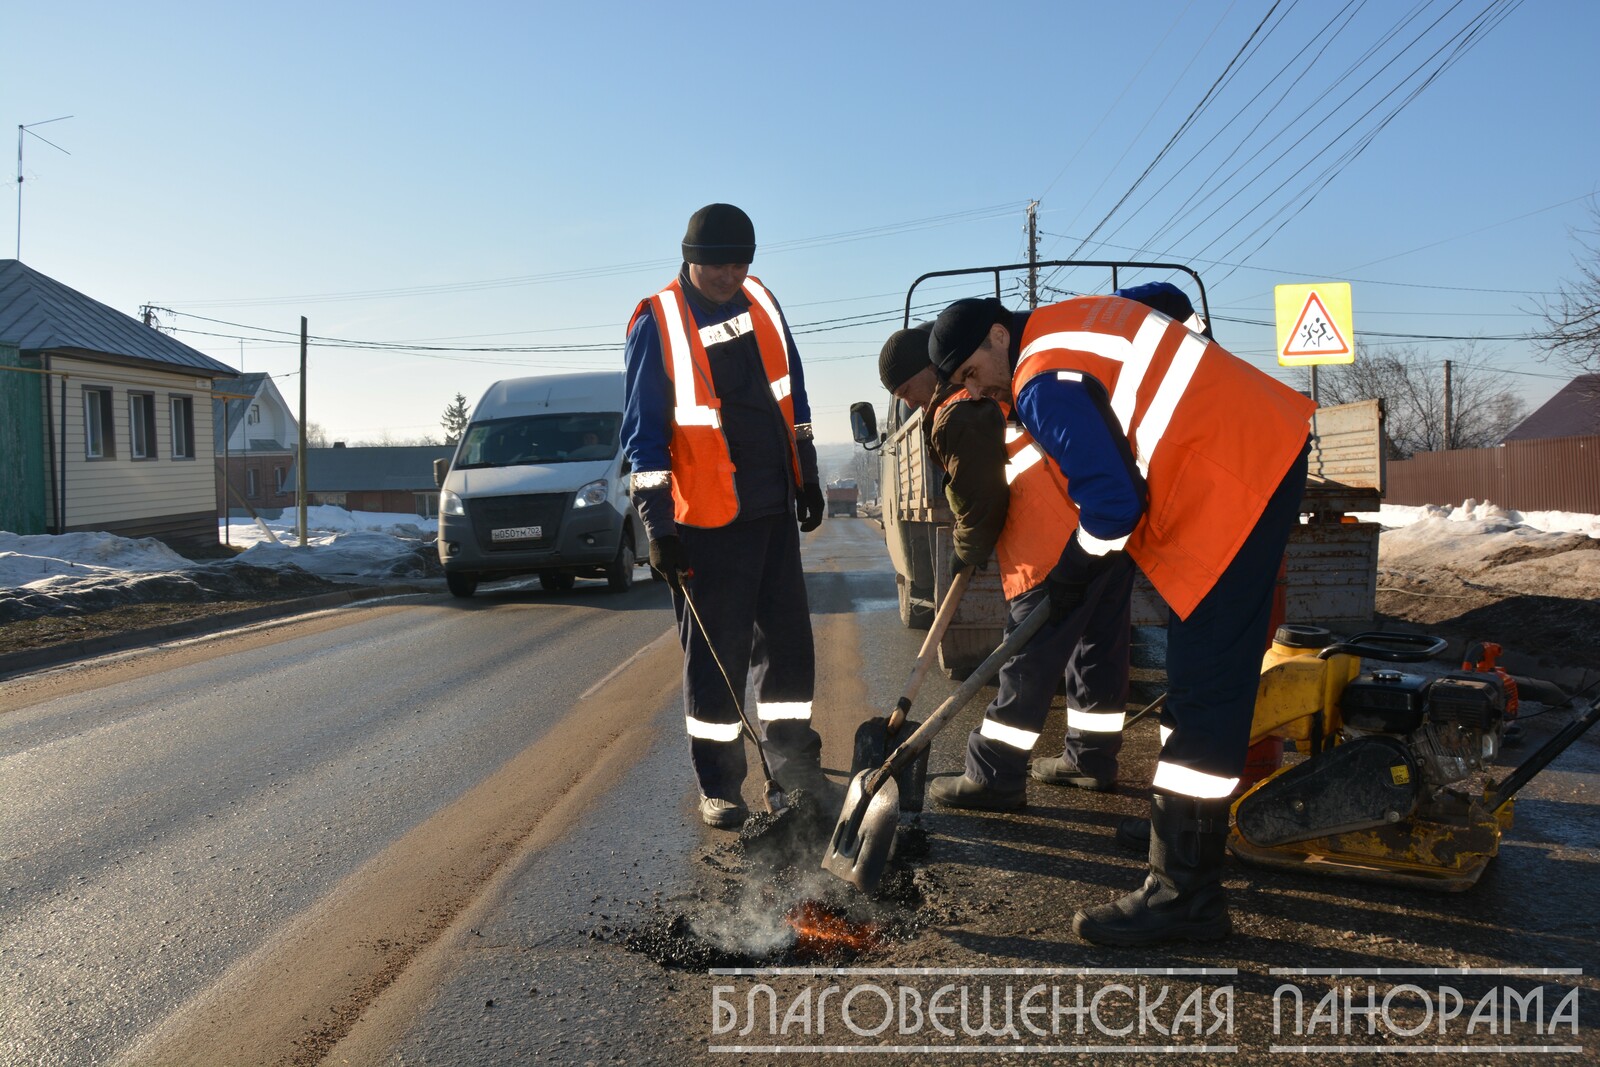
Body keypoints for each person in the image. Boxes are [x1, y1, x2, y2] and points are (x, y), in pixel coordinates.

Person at [931, 289, 1314, 945]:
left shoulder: (1037, 381)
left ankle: (1184, 892)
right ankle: (1183, 830)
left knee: (1203, 688)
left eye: (971, 372)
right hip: (1251, 447)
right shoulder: (1065, 319)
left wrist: (1077, 565)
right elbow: (1166, 298)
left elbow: (1112, 505)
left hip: (1232, 482)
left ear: (999, 336)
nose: (978, 390)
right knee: (1202, 681)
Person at [622, 203, 828, 830]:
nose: (730, 275)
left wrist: (808, 471)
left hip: (770, 509)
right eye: (718, 264)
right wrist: (659, 529)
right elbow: (644, 436)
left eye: (740, 263)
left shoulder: (760, 299)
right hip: (707, 524)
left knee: (788, 648)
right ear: (690, 257)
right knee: (716, 657)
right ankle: (720, 785)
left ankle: (792, 771)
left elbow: (791, 390)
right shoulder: (657, 321)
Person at [877, 324, 1130, 812]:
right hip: (1096, 528)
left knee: (1024, 658)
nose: (909, 404)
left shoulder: (956, 412)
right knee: (1098, 648)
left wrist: (966, 552)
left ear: (930, 372)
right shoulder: (1003, 389)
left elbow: (981, 497)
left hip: (1048, 548)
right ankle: (1091, 759)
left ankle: (994, 774)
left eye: (908, 390)